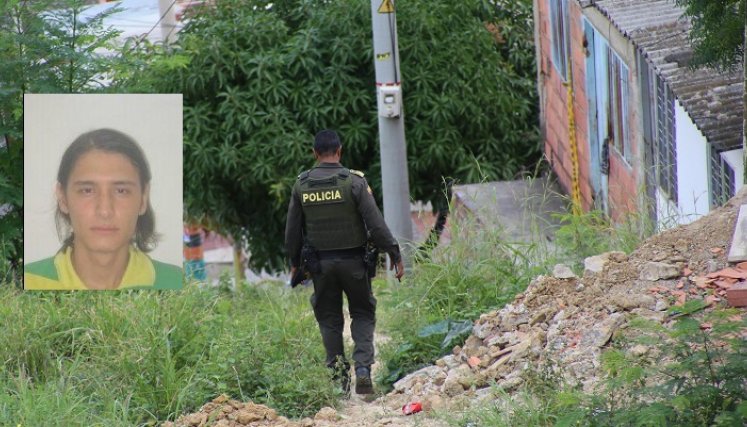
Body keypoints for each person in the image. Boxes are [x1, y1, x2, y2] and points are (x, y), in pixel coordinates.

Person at [285, 130, 405, 395]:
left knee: (329, 319)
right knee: (362, 312)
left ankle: (339, 378)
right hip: (355, 264)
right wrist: (394, 253)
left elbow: (292, 231)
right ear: (339, 151)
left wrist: (295, 263)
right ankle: (362, 369)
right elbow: (376, 224)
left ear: (315, 153)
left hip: (320, 267)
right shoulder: (354, 182)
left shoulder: (301, 185)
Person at [24, 128, 182, 290]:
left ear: (143, 199)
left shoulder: (178, 285)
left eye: (121, 191)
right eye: (87, 190)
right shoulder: (26, 283)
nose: (105, 211)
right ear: (63, 198)